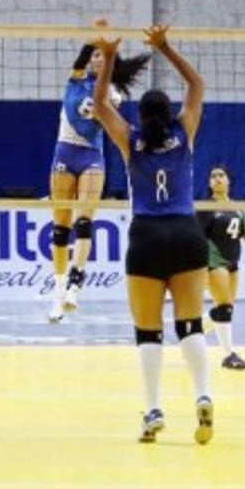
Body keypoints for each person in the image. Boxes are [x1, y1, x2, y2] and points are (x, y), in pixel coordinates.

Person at [90, 27, 213, 444]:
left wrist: (109, 57)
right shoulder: (184, 132)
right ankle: (203, 395)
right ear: (168, 112)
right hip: (186, 232)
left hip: (146, 236)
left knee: (148, 330)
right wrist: (164, 48)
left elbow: (100, 104)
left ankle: (153, 409)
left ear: (141, 117)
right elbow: (197, 85)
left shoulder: (130, 139)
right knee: (190, 324)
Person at [48, 17, 150, 321]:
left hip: (91, 156)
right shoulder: (75, 80)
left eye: (102, 57)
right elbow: (81, 57)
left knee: (84, 221)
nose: (96, 59)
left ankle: (75, 283)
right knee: (60, 226)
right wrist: (99, 36)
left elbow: (104, 113)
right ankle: (58, 292)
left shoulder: (112, 93)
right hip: (64, 151)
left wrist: (107, 53)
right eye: (94, 55)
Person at [197, 164, 245, 370]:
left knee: (225, 308)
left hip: (233, 262)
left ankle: (191, 334)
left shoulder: (237, 208)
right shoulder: (205, 207)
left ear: (228, 180)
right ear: (210, 183)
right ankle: (229, 355)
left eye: (221, 175)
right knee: (224, 306)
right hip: (213, 261)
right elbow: (197, 237)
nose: (217, 178)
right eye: (213, 176)